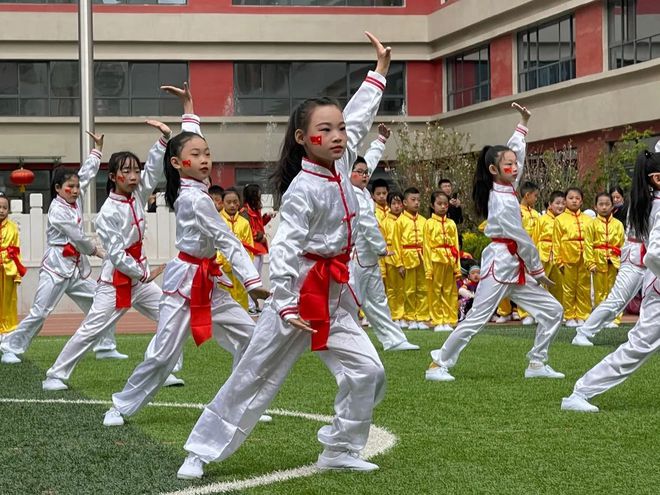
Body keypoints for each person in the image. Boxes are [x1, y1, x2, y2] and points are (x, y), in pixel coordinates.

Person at [176, 32, 392, 480]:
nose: (336, 135)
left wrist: (379, 73)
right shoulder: (302, 190)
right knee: (254, 375)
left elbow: (358, 113)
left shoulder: (343, 156)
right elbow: (288, 248)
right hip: (295, 300)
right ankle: (199, 449)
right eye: (324, 129)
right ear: (302, 138)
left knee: (368, 371)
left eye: (339, 129)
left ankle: (340, 447)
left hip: (335, 296)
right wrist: (288, 303)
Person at [102, 85, 270, 429]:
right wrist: (252, 283)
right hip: (185, 283)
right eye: (198, 154)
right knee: (163, 354)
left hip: (209, 281)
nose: (205, 159)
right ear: (179, 164)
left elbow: (189, 145)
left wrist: (189, 108)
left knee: (250, 338)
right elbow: (226, 239)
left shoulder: (196, 187)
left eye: (208, 152)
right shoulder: (193, 198)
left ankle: (237, 401)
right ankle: (121, 405)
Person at [40, 85, 194, 391]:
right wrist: (144, 272)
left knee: (172, 316)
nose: (134, 176)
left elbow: (153, 170)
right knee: (91, 330)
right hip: (115, 282)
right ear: (113, 177)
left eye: (135, 170)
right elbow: (117, 255)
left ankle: (164, 369)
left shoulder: (137, 196)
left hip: (139, 280)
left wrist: (164, 139)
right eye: (126, 171)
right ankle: (55, 374)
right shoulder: (108, 212)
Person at [425, 103, 564, 382]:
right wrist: (538, 272)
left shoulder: (508, 186)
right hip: (501, 263)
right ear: (493, 169)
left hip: (512, 265)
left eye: (514, 164)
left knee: (553, 311)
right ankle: (438, 363)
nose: (514, 167)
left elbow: (517, 154)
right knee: (477, 318)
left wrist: (523, 123)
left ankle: (537, 362)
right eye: (508, 165)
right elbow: (522, 240)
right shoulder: (502, 200)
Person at [1, 133, 125, 364]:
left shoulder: (74, 199)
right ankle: (10, 347)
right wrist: (96, 250)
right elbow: (77, 236)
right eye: (71, 187)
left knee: (101, 301)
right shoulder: (57, 211)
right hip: (56, 267)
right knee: (40, 312)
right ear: (58, 188)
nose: (76, 190)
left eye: (77, 187)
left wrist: (97, 150)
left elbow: (87, 173)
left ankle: (105, 345)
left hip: (75, 269)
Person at [561, 149, 660, 412]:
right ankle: (581, 391)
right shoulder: (657, 206)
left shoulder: (649, 202)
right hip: (650, 277)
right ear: (657, 179)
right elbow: (655, 255)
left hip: (648, 276)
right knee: (637, 343)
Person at [349, 135, 418, 351]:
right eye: (359, 172)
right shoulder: (353, 194)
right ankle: (348, 341)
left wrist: (380, 141)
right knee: (351, 302)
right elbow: (368, 226)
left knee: (378, 301)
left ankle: (394, 340)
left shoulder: (362, 193)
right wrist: (382, 248)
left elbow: (368, 161)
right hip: (355, 257)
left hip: (368, 258)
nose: (364, 175)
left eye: (366, 173)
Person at [553, 187, 592, 327]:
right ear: (565, 201)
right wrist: (558, 261)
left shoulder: (588, 220)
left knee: (584, 287)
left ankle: (583, 315)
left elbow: (592, 240)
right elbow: (556, 242)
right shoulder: (560, 220)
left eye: (577, 198)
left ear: (581, 201)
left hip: (585, 259)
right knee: (568, 289)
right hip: (567, 258)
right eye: (571, 198)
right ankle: (569, 316)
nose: (574, 201)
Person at [583, 192, 625, 326]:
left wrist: (623, 263)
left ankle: (615, 319)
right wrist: (590, 263)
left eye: (607, 204)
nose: (604, 207)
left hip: (614, 262)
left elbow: (623, 244)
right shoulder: (591, 224)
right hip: (598, 261)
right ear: (595, 207)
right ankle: (600, 319)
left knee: (615, 291)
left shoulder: (618, 224)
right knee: (599, 292)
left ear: (612, 206)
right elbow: (588, 245)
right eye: (601, 204)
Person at [423, 190, 461, 332]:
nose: (443, 206)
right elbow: (426, 247)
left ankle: (450, 319)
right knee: (436, 290)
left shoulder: (451, 223)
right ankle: (438, 320)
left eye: (445, 204)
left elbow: (456, 245)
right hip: (436, 259)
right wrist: (428, 268)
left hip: (450, 259)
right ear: (432, 205)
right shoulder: (429, 223)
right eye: (439, 204)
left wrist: (457, 267)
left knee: (450, 290)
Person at [393, 187, 429, 329]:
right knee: (408, 290)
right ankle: (410, 317)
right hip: (407, 258)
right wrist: (399, 263)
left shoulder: (424, 221)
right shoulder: (400, 222)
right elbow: (396, 244)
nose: (416, 203)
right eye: (413, 200)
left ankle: (422, 317)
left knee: (423, 288)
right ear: (405, 202)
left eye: (418, 200)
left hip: (422, 258)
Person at [240, 183, 274, 314]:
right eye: (258, 194)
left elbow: (259, 225)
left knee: (256, 278)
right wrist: (261, 237)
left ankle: (254, 305)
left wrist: (267, 217)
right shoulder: (245, 212)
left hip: (259, 249)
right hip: (252, 249)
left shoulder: (254, 210)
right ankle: (250, 305)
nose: (260, 196)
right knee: (252, 279)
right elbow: (247, 231)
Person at [221, 187, 256, 310]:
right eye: (228, 202)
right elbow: (215, 246)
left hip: (240, 271)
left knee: (242, 304)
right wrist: (222, 264)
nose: (232, 205)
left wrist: (245, 266)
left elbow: (250, 247)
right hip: (222, 271)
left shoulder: (244, 223)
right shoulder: (217, 221)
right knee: (223, 303)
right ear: (222, 203)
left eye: (235, 202)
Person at [0, 192, 26, 336]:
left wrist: (17, 274)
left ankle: (8, 335)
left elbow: (16, 251)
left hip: (8, 269)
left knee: (9, 302)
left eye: (4, 207)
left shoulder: (12, 228)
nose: (1, 210)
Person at [536, 191, 566, 307]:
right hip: (543, 253)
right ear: (550, 204)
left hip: (559, 254)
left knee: (559, 284)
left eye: (563, 203)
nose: (560, 206)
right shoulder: (542, 219)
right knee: (540, 283)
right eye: (557, 203)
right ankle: (540, 310)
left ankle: (559, 309)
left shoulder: (565, 220)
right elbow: (535, 237)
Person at [517, 181, 540, 326]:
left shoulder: (536, 214)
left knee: (535, 282)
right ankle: (524, 312)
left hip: (534, 251)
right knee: (522, 282)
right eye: (535, 196)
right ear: (527, 195)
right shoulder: (517, 211)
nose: (536, 199)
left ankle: (535, 311)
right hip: (521, 251)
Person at [381, 191, 404, 324]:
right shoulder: (385, 222)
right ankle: (394, 315)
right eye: (393, 203)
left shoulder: (404, 220)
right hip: (390, 257)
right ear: (389, 205)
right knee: (391, 289)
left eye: (398, 203)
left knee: (403, 288)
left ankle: (403, 314)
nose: (396, 206)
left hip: (404, 256)